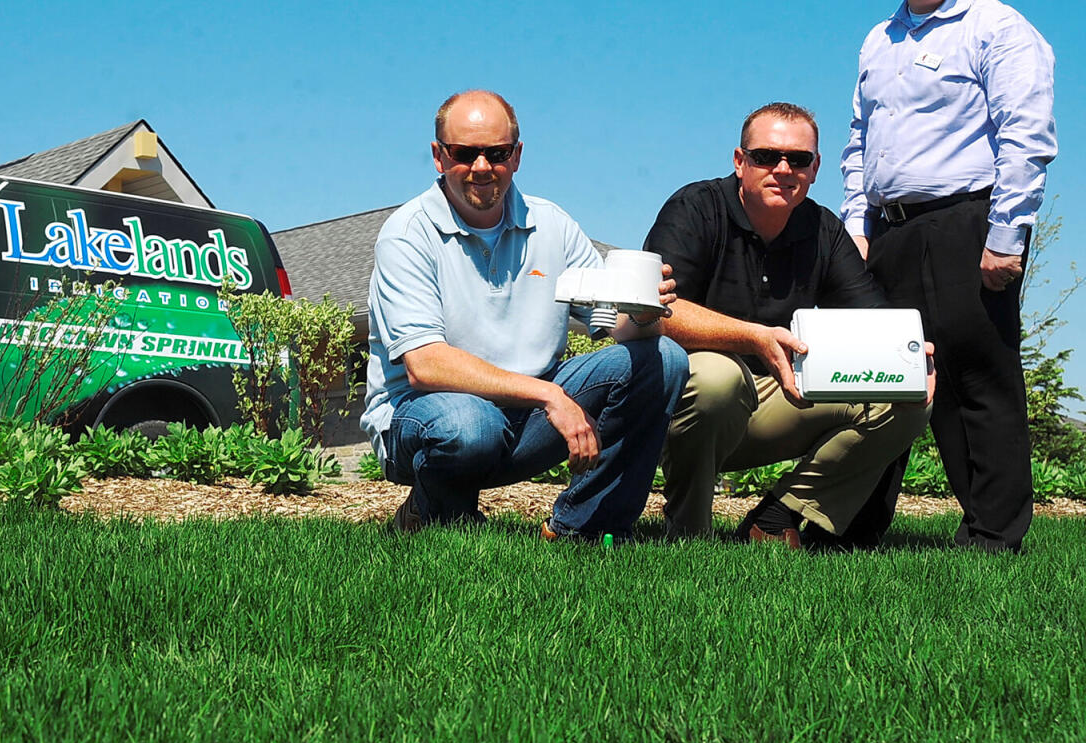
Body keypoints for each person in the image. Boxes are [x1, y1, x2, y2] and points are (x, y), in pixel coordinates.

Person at [361, 89, 688, 540]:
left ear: (516, 156)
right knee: (470, 424)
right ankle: (431, 509)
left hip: (527, 417)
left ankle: (582, 529)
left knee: (664, 357)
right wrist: (550, 396)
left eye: (496, 153)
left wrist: (646, 310)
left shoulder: (552, 225)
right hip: (428, 416)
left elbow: (614, 324)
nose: (481, 167)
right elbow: (426, 365)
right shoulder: (406, 235)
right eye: (464, 153)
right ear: (438, 157)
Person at [841, 0, 1056, 552]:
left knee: (975, 382)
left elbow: (1026, 136)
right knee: (882, 381)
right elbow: (859, 138)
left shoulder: (1000, 30)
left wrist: (1005, 234)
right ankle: (854, 526)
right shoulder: (878, 41)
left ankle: (994, 536)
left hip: (968, 225)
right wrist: (857, 222)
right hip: (889, 231)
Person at [644, 103, 930, 547]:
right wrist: (753, 337)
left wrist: (910, 356)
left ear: (815, 169)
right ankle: (688, 534)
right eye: (765, 156)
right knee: (719, 376)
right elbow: (657, 313)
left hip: (776, 399)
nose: (783, 169)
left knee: (908, 395)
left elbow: (871, 318)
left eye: (798, 159)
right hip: (683, 406)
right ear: (740, 162)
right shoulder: (695, 209)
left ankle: (777, 517)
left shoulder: (824, 231)